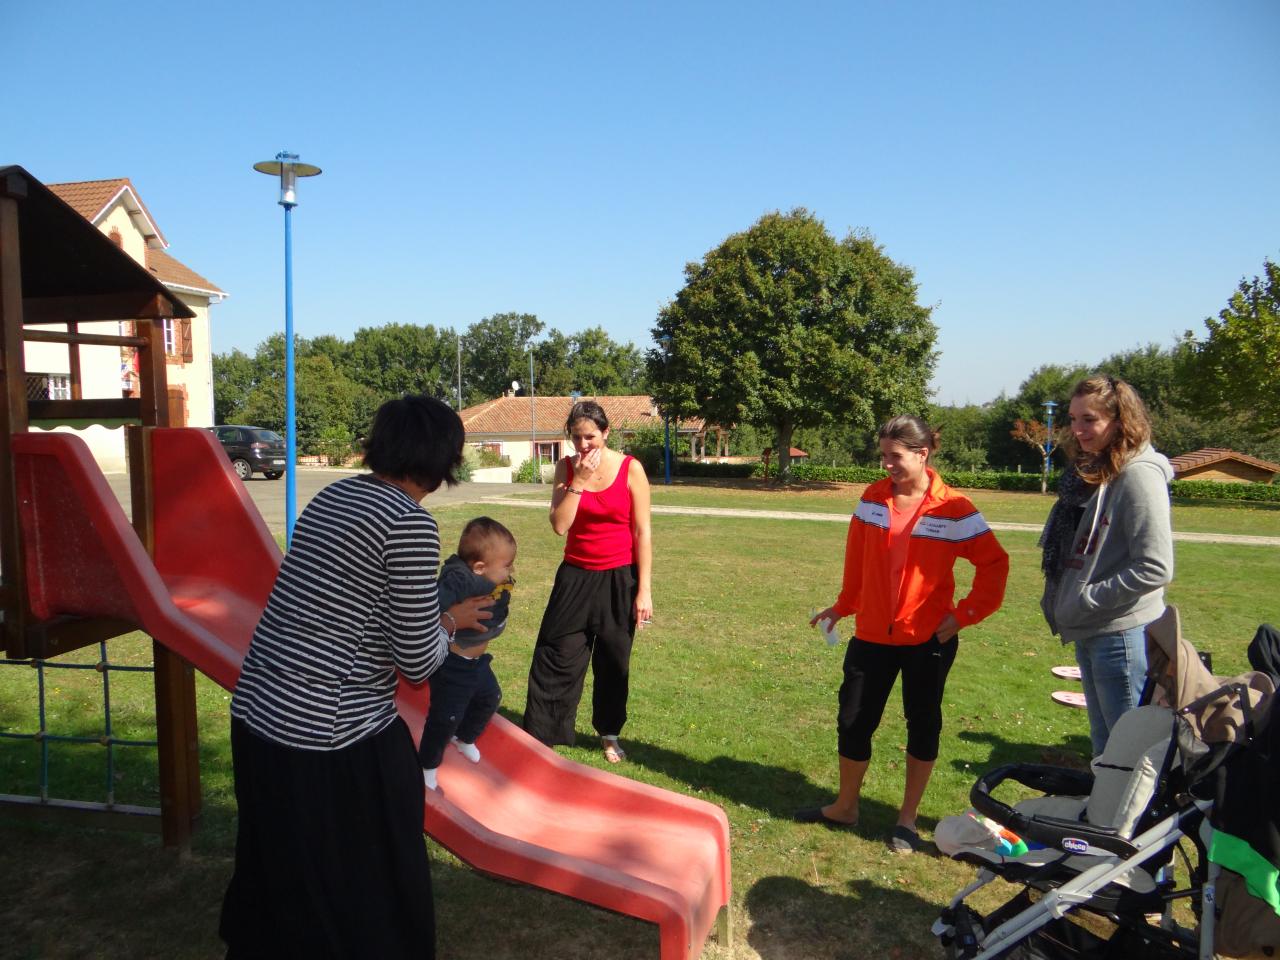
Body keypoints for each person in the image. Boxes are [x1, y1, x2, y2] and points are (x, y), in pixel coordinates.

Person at [220, 395, 493, 960]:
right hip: (327, 733)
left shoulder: (337, 493)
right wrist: (449, 622)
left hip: (257, 711)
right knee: (375, 861)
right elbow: (418, 663)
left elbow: (350, 606)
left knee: (279, 863)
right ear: (441, 464)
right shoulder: (409, 522)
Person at [796, 414, 1009, 854]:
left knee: (922, 724)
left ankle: (907, 821)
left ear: (922, 453)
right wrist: (843, 606)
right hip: (872, 636)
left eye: (894, 456)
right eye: (883, 456)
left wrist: (965, 614)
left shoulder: (954, 507)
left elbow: (994, 564)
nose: (886, 465)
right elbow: (856, 562)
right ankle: (845, 807)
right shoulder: (872, 499)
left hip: (927, 642)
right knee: (853, 720)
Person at [1040, 375, 1173, 758]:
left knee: (1127, 751)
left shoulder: (1138, 475)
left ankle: (1127, 819)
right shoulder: (1098, 469)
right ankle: (1104, 815)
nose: (1077, 430)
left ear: (1119, 421)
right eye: (1072, 418)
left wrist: (1087, 598)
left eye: (1089, 420)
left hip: (1119, 633)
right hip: (1091, 629)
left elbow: (1155, 566)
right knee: (1105, 746)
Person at [522, 400, 653, 763]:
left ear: (606, 433)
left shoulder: (631, 469)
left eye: (590, 437)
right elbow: (559, 525)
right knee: (556, 655)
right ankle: (543, 736)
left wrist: (644, 590)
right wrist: (577, 482)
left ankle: (609, 734)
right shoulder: (566, 468)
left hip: (619, 579)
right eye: (577, 438)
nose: (583, 446)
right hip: (575, 578)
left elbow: (642, 532)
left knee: (614, 662)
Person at [419, 517, 516, 790]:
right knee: (444, 717)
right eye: (507, 565)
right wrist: (445, 613)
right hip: (453, 665)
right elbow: (434, 601)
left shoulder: (486, 577)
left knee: (491, 697)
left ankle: (464, 738)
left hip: (476, 663)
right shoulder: (460, 578)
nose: (511, 571)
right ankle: (427, 766)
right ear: (480, 567)